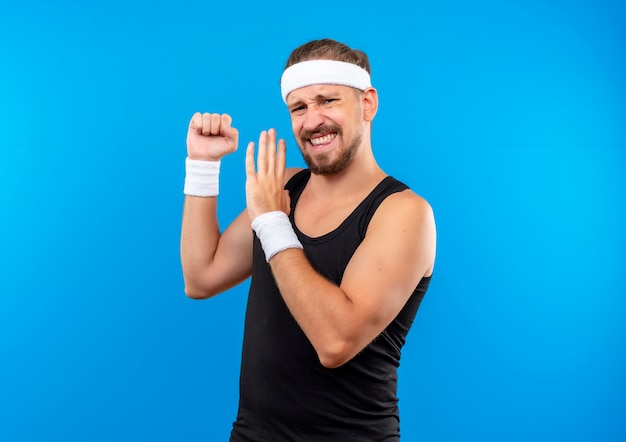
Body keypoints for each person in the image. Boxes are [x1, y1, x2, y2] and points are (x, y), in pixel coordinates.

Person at [180, 38, 436, 441]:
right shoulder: (282, 188)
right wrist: (202, 165)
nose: (312, 120)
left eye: (328, 100)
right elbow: (201, 277)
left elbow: (335, 342)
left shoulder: (403, 213)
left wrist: (271, 222)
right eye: (299, 107)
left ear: (368, 103)